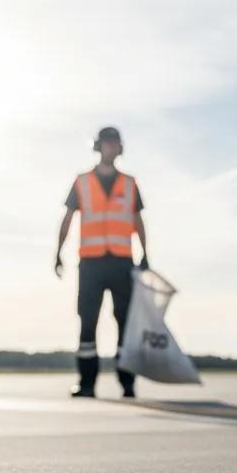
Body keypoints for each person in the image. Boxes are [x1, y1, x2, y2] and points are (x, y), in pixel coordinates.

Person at [55, 126, 149, 398]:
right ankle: (86, 383)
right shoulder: (82, 181)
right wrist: (58, 252)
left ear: (120, 148)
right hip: (91, 263)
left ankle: (127, 383)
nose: (111, 147)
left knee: (124, 322)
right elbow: (68, 218)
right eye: (106, 143)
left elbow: (137, 220)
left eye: (115, 143)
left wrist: (145, 254)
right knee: (87, 321)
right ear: (99, 146)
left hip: (122, 262)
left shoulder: (130, 184)